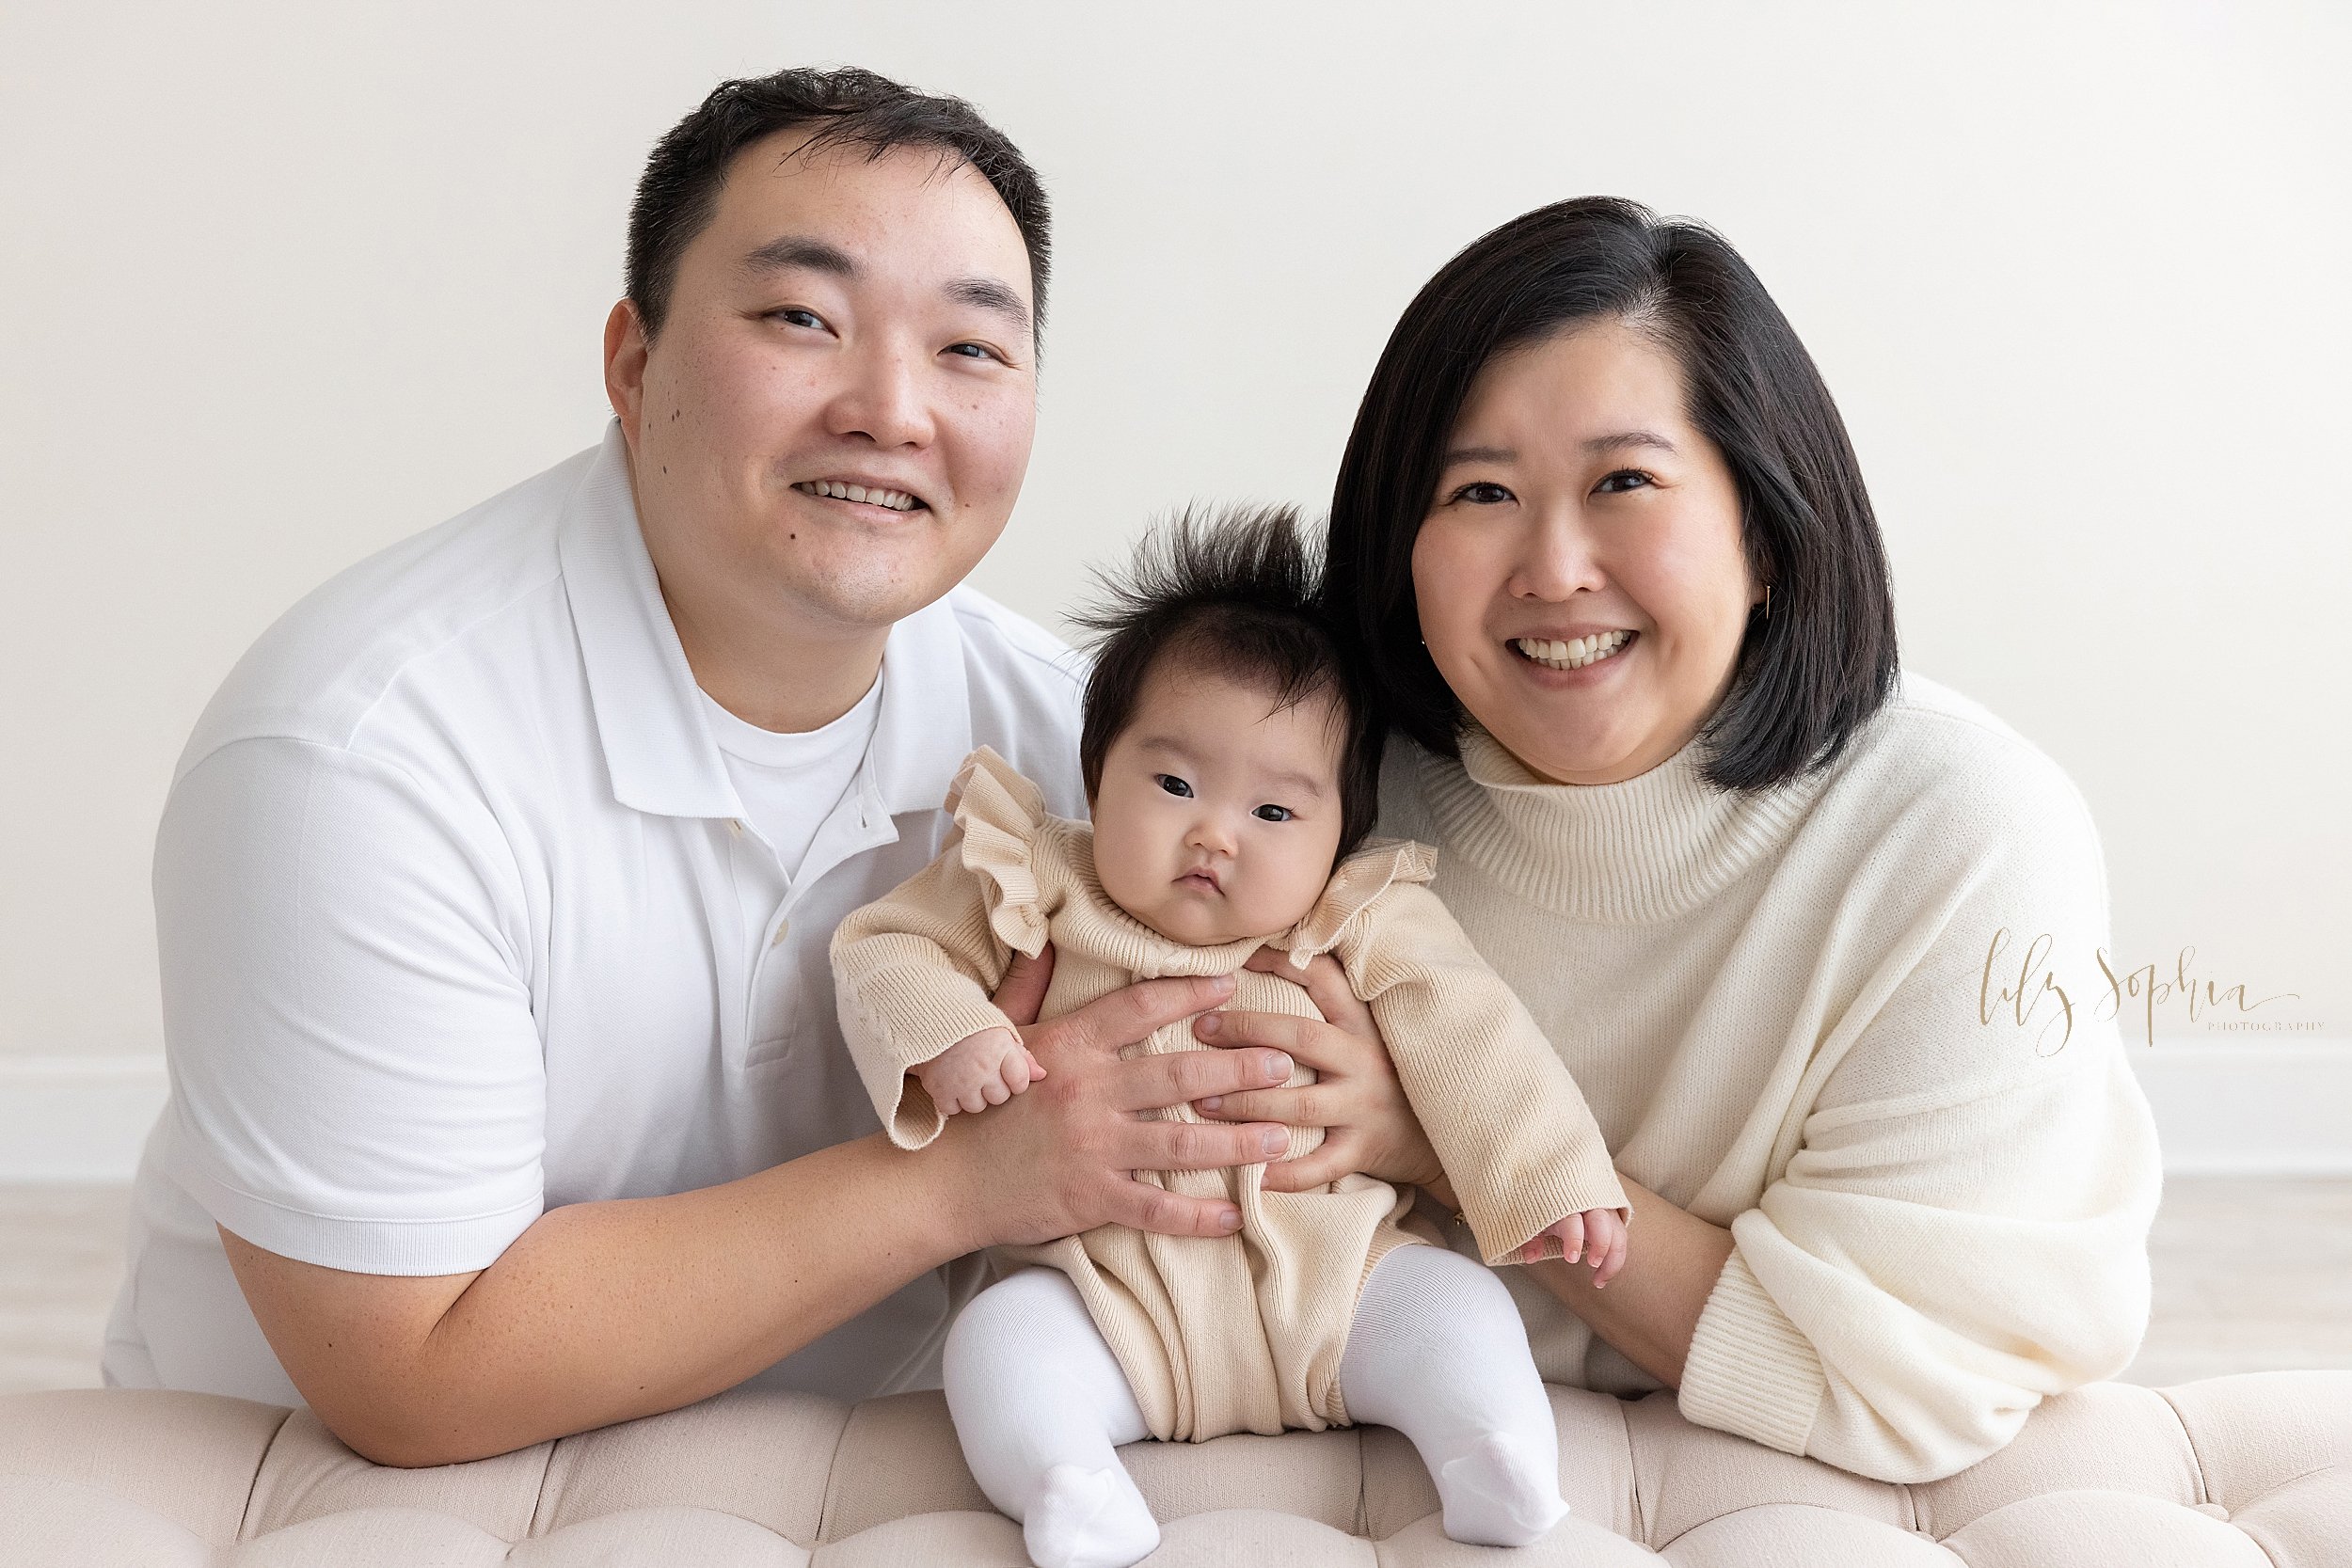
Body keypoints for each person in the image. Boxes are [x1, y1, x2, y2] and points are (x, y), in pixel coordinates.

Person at [100, 67, 1314, 1468]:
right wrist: (972, 1178)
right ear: (633, 361)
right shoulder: (361, 756)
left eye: (970, 349)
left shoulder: (1076, 748)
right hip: (352, 1481)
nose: (891, 408)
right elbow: (411, 1368)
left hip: (874, 1463)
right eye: (804, 317)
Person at [1184, 196, 2165, 1485]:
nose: (1552, 565)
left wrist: (1447, 1137)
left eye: (1624, 482)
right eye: (1480, 489)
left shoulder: (1962, 832)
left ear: (1763, 528)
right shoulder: (1309, 788)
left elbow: (1897, 1377)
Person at [831, 506, 1629, 1566]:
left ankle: (1490, 1452)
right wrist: (951, 1031)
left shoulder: (1357, 916)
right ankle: (1067, 1481)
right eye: (1172, 784)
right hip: (1106, 1299)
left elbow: (1478, 1040)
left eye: (1273, 812)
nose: (1213, 831)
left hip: (1338, 1285)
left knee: (1458, 1307)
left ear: (1341, 833)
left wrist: (1556, 1176)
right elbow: (881, 949)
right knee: (998, 1345)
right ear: (1096, 772)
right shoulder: (1030, 879)